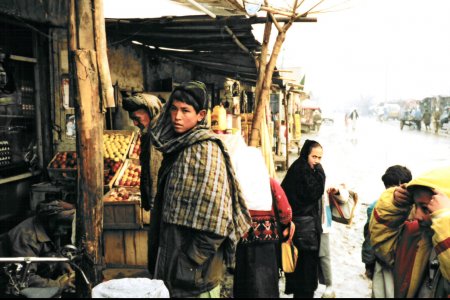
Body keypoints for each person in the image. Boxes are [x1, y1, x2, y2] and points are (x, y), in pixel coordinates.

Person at [148, 81, 252, 298]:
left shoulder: (205, 151)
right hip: (175, 260)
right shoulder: (178, 147)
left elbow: (218, 220)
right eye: (174, 109)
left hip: (195, 273)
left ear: (201, 115)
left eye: (185, 111)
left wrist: (190, 261)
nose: (177, 117)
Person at [370, 166, 450, 298]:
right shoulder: (414, 235)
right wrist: (392, 203)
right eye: (415, 205)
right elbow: (382, 245)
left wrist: (445, 222)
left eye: (426, 208)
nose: (417, 216)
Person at [232, 146, 293, 298]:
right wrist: (287, 224)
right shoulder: (269, 182)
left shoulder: (235, 185)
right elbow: (285, 210)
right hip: (268, 243)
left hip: (243, 241)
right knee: (267, 280)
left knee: (245, 279)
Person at [281, 140, 326, 298]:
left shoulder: (301, 168)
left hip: (299, 228)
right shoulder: (302, 171)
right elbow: (314, 192)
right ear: (306, 154)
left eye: (320, 158)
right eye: (314, 157)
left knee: (301, 269)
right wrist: (321, 172)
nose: (317, 161)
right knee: (305, 271)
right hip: (304, 230)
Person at [362, 165, 412, 298]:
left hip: (388, 259)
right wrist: (369, 264)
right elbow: (370, 237)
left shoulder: (377, 206)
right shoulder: (377, 207)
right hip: (386, 260)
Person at [6, 201, 75, 290]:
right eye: (64, 228)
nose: (64, 232)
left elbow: (51, 250)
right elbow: (24, 280)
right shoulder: (25, 237)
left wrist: (61, 262)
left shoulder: (51, 228)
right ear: (51, 221)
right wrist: (59, 285)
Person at [122, 93, 163, 211]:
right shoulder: (148, 134)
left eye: (137, 118)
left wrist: (153, 202)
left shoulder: (157, 137)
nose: (135, 123)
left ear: (151, 112)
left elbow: (154, 172)